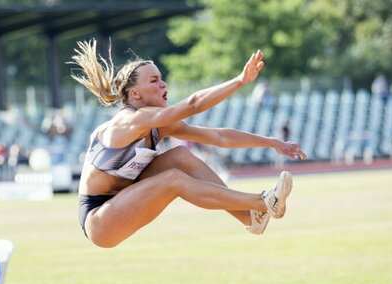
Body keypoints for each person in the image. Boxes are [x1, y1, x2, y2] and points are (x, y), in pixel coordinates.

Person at [69, 39, 307, 247]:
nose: (163, 84)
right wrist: (239, 81)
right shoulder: (128, 122)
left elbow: (219, 137)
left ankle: (250, 217)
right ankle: (261, 202)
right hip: (100, 220)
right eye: (154, 80)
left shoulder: (158, 126)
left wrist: (271, 142)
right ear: (135, 94)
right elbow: (192, 105)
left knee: (179, 156)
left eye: (162, 79)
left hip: (127, 197)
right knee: (173, 178)